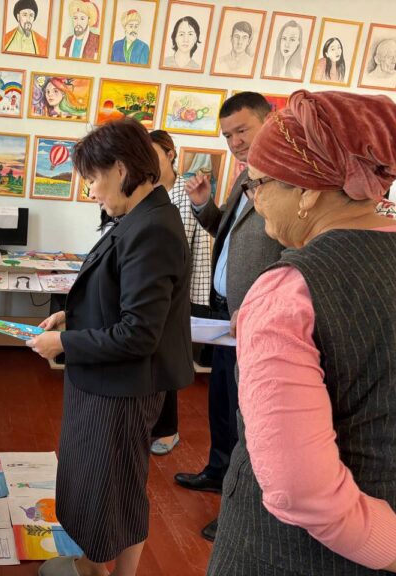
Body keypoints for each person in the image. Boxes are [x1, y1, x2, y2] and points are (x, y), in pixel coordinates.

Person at [209, 90, 396, 575]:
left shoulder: (289, 292)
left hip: (292, 554)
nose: (256, 201)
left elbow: (300, 489)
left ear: (308, 192)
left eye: (258, 185)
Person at [27, 118, 192, 576]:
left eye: (93, 179)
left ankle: (101, 570)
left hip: (123, 388)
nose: (91, 192)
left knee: (109, 490)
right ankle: (97, 566)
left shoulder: (152, 227)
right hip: (109, 381)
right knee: (107, 486)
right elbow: (121, 296)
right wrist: (70, 317)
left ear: (120, 169)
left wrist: (64, 342)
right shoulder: (139, 217)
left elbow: (138, 332)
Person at [175, 92, 285, 542]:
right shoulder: (245, 176)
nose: (236, 142)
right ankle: (219, 472)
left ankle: (240, 506)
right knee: (221, 404)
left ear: (269, 121)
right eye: (228, 136)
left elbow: (293, 251)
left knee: (249, 416)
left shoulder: (287, 180)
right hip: (225, 311)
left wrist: (263, 304)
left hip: (256, 316)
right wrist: (205, 205)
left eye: (242, 130)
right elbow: (230, 235)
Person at [148, 130, 212, 456]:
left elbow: (195, 247)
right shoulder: (146, 190)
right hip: (150, 287)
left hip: (177, 290)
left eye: (153, 153)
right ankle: (151, 424)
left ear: (170, 154)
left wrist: (196, 298)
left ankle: (167, 429)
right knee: (149, 356)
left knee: (166, 358)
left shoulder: (187, 191)